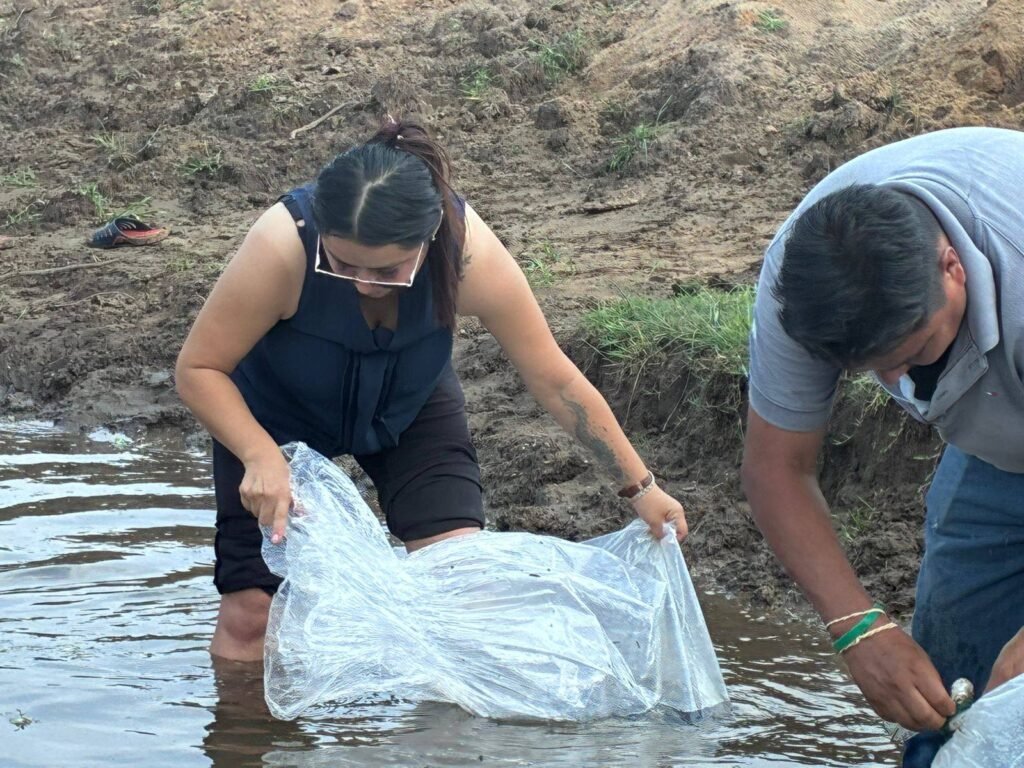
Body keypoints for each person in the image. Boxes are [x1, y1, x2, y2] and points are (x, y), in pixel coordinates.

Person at [175, 118, 686, 664]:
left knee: (463, 591)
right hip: (274, 415)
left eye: (387, 270)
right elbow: (199, 368)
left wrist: (641, 487)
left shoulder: (467, 253)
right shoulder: (282, 246)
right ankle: (245, 719)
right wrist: (260, 455)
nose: (364, 284)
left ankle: (443, 721)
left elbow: (552, 376)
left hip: (409, 406)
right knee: (254, 616)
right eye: (343, 265)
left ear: (429, 238)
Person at [742, 126, 1024, 766]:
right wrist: (858, 627)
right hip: (995, 438)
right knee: (954, 692)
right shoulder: (803, 285)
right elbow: (776, 468)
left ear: (953, 268)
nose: (898, 384)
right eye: (872, 370)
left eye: (914, 353)